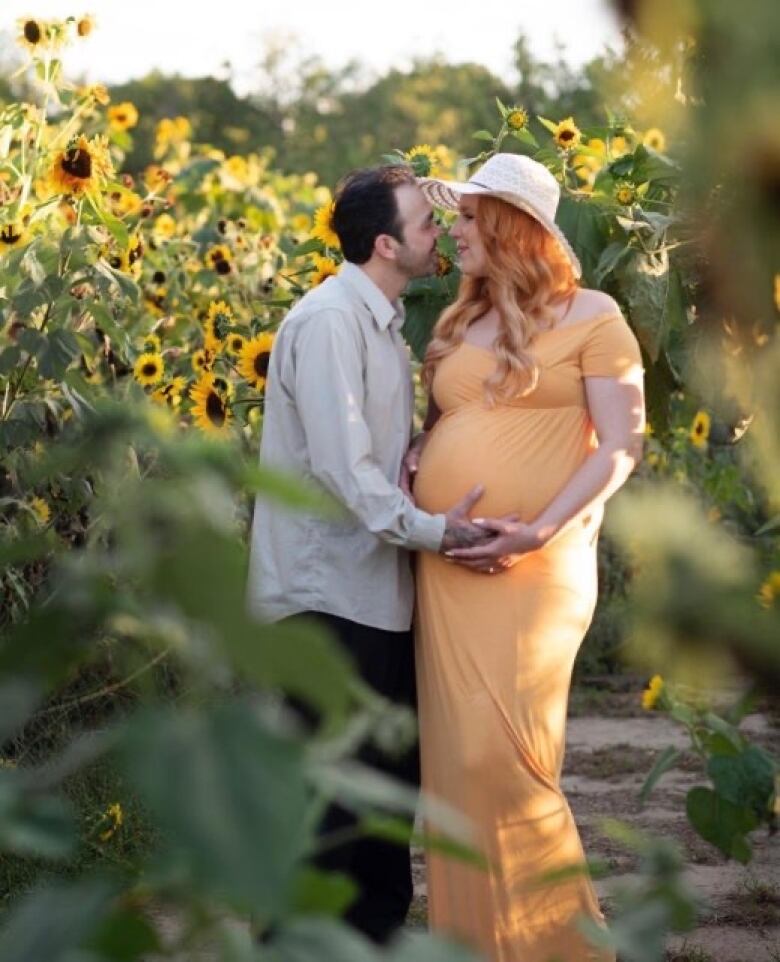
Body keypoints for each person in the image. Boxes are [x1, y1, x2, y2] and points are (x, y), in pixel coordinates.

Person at [407, 152, 645, 962]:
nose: (454, 230)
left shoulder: (595, 314)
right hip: (448, 569)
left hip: (537, 570)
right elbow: (452, 424)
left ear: (510, 226)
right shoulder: (456, 321)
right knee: (457, 769)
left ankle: (561, 951)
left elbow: (621, 446)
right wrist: (419, 452)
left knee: (503, 762)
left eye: (469, 216)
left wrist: (539, 527)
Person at [246, 164, 492, 945]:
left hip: (375, 593)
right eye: (427, 222)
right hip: (324, 600)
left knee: (385, 799)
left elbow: (378, 455)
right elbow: (341, 471)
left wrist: (427, 448)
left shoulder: (382, 322)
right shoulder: (328, 323)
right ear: (386, 244)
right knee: (327, 810)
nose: (440, 233)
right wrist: (439, 530)